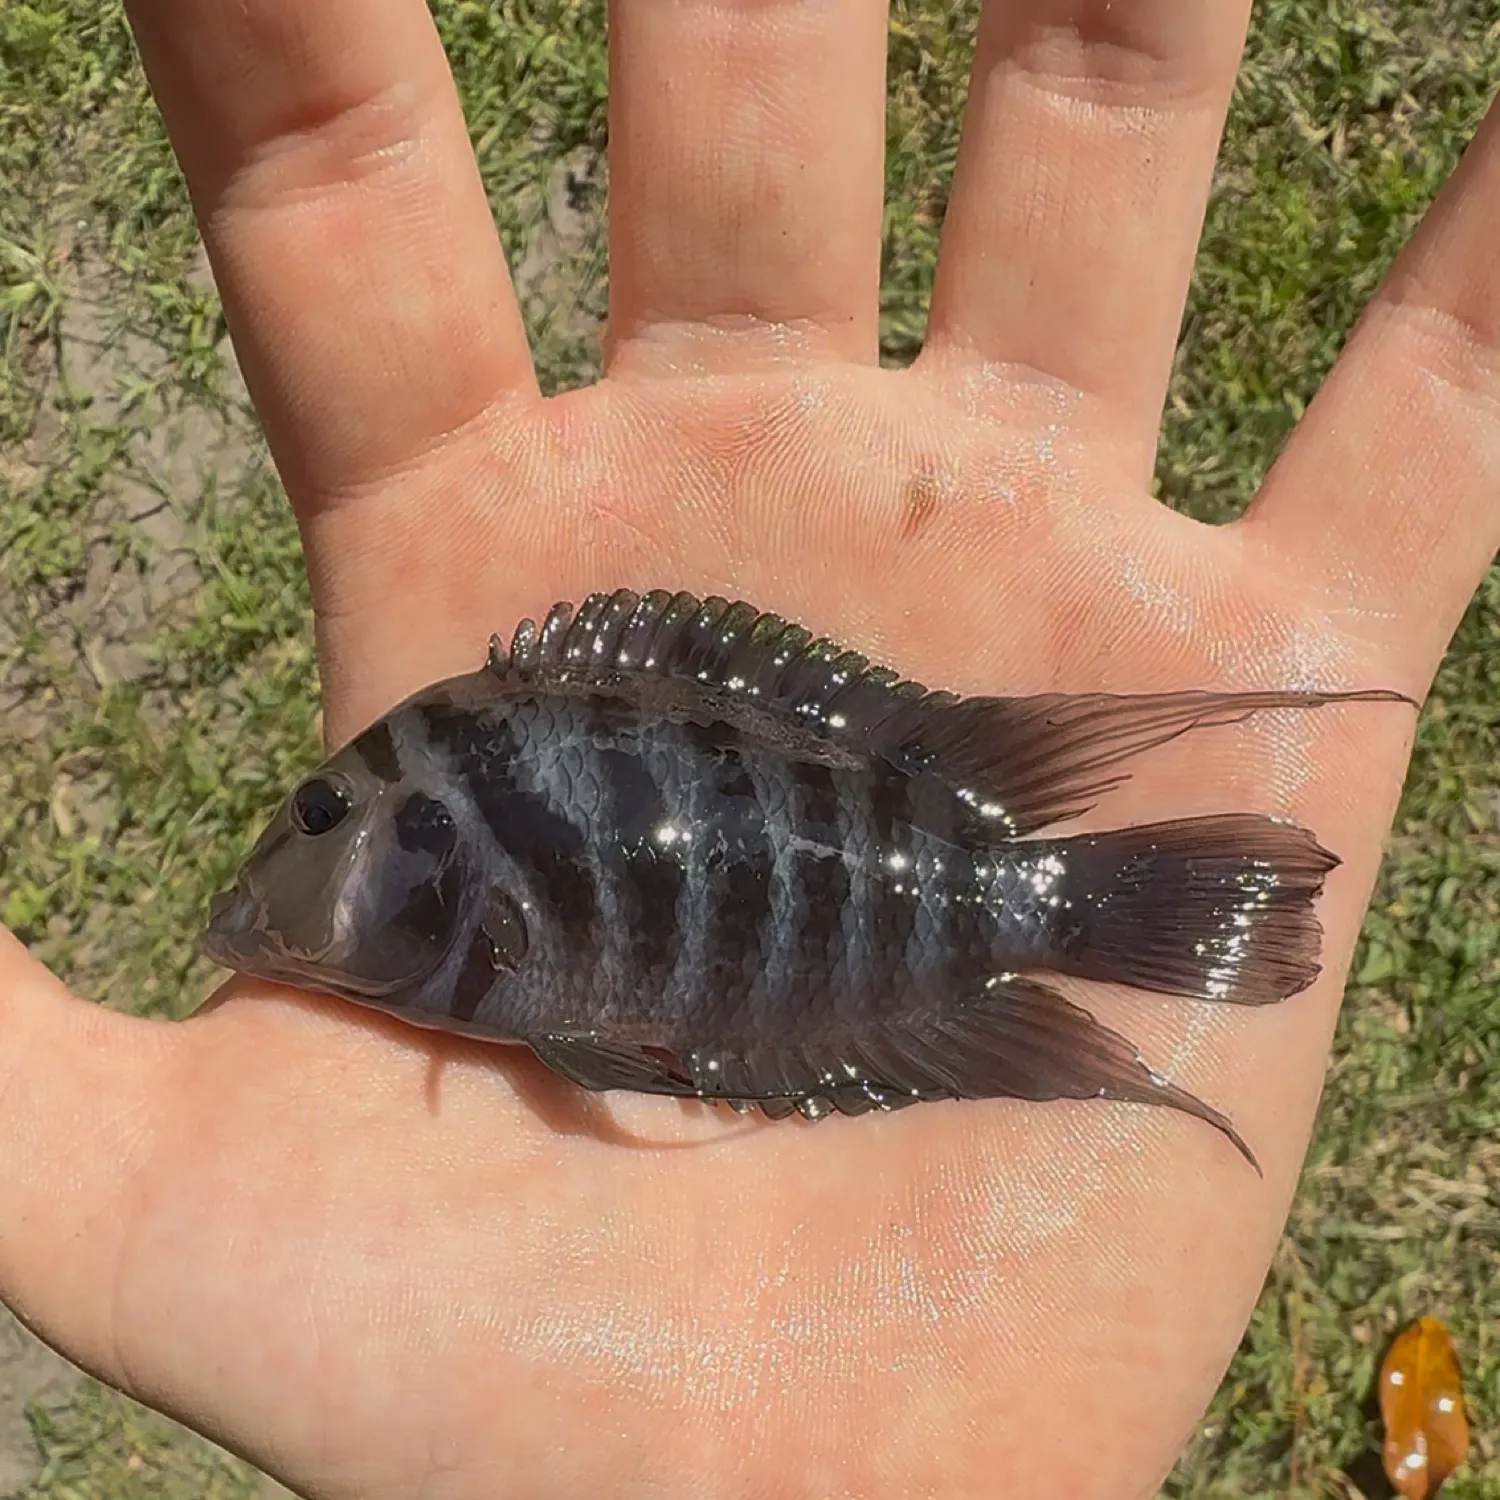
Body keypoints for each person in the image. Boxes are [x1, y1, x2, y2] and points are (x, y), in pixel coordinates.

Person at [1, 2, 1495, 1496]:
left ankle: (1079, 907)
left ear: (435, 853)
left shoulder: (465, 861)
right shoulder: (456, 871)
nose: (292, 850)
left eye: (327, 812)